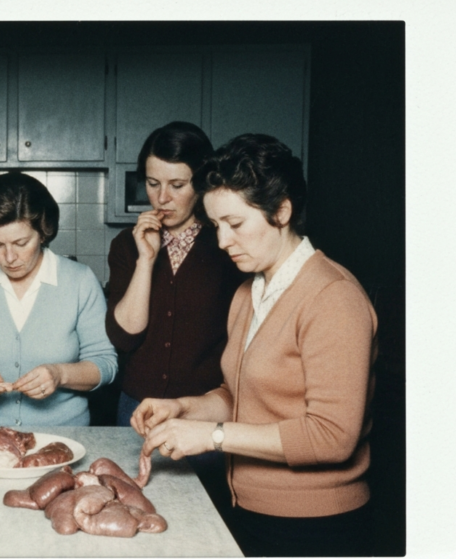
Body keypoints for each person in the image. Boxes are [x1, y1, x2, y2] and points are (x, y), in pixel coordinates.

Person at [131, 134, 377, 557]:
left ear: (281, 211)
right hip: (250, 509)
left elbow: (333, 436)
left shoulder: (333, 297)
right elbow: (238, 395)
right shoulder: (250, 292)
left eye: (236, 224)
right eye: (216, 226)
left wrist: (212, 436)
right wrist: (185, 409)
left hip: (313, 525)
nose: (223, 241)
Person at [0, 172, 118, 427]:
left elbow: (105, 364)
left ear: (43, 233)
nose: (9, 257)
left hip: (63, 437)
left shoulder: (80, 280)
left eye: (21, 243)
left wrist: (59, 374)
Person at [106, 121, 246, 424]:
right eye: (153, 183)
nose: (162, 198)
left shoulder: (230, 246)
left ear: (201, 183)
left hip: (205, 410)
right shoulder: (126, 246)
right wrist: (146, 259)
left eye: (177, 185)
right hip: (137, 407)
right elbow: (124, 337)